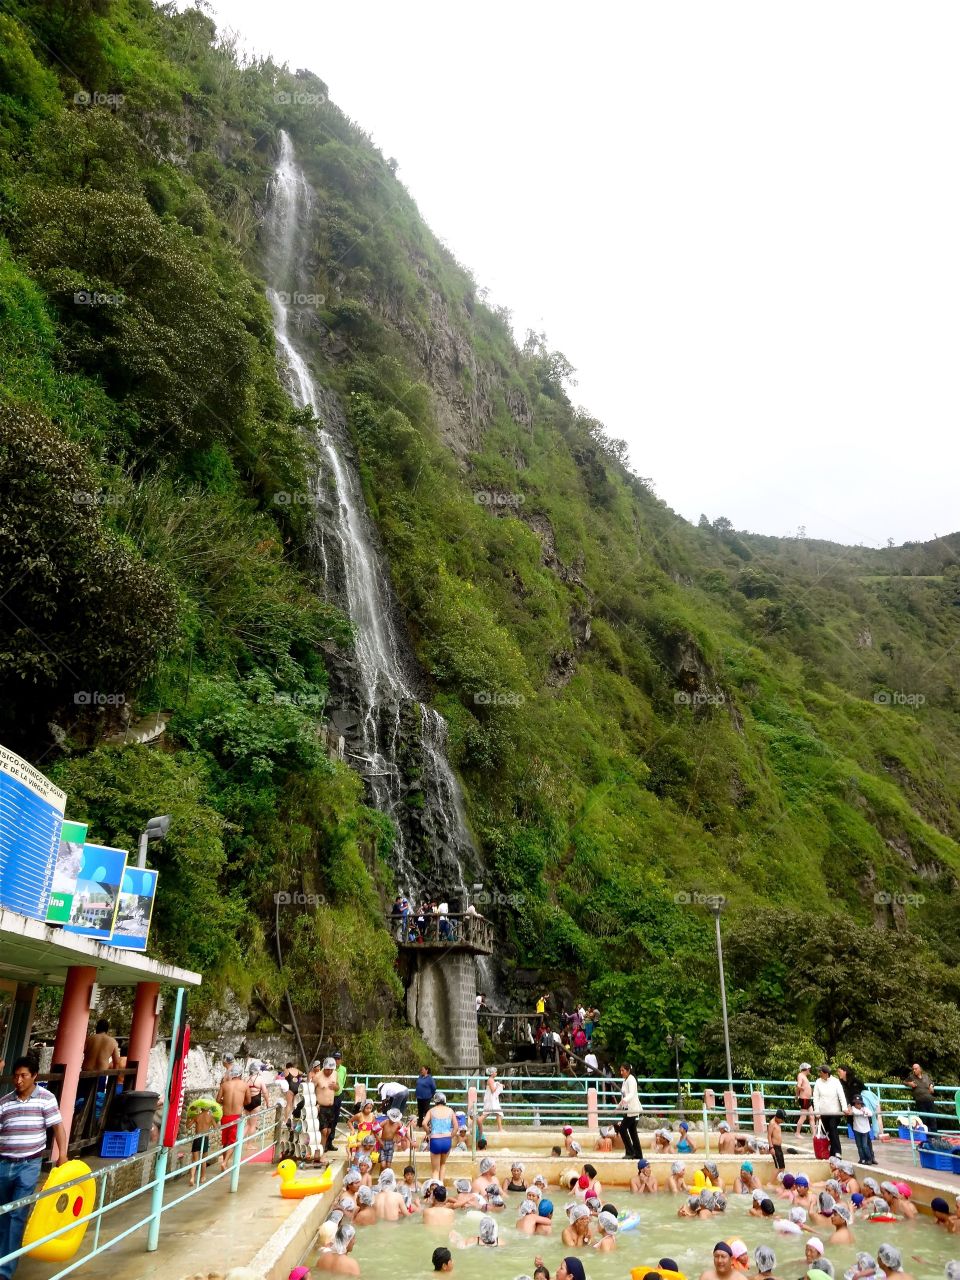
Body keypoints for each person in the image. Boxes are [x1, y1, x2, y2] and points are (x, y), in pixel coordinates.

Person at [0, 1055, 68, 1278]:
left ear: (34, 1076)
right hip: (3, 1163)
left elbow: (58, 1128)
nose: (18, 1080)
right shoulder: (5, 1102)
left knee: (17, 1215)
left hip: (29, 1164)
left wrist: (63, 1156)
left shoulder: (46, 1099)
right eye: (16, 1075)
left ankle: (4, 1271)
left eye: (23, 1076)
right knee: (2, 1214)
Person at [217, 1066, 251, 1170]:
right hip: (236, 1116)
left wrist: (225, 1102)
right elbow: (248, 1101)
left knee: (225, 1141)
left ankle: (224, 1162)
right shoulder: (245, 1085)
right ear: (241, 1074)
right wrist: (240, 1103)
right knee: (233, 1142)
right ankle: (225, 1162)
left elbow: (218, 1099)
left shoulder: (224, 1085)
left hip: (225, 1116)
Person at [813, 1064, 847, 1158]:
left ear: (826, 1073)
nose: (819, 1073)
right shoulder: (818, 1082)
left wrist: (844, 1108)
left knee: (833, 1129)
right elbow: (816, 1097)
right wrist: (817, 1111)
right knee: (825, 1133)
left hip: (834, 1112)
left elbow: (841, 1095)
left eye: (821, 1072)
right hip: (823, 1112)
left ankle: (837, 1152)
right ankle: (828, 1152)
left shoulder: (835, 1082)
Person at [423, 1091, 456, 1181]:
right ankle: (442, 1189)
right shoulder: (450, 1111)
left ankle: (435, 1190)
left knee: (435, 1170)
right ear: (445, 1101)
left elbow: (424, 1123)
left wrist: (429, 1133)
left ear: (435, 1101)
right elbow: (456, 1127)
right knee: (443, 1165)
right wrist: (450, 1137)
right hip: (447, 1140)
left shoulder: (431, 1111)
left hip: (435, 1140)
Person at [615, 1062, 642, 1159]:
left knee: (622, 1129)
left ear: (628, 1071)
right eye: (621, 1070)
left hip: (632, 1109)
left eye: (623, 1070)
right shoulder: (626, 1080)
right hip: (628, 1109)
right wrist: (618, 1106)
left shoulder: (631, 1080)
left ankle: (631, 1152)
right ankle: (638, 1154)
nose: (621, 1072)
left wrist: (624, 1101)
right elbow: (625, 1095)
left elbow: (631, 1094)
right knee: (632, 1132)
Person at [906, 1063, 937, 1132]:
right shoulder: (911, 1077)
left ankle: (935, 1136)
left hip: (930, 1099)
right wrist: (909, 1083)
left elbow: (931, 1082)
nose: (914, 1070)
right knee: (924, 1118)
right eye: (913, 1069)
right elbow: (904, 1082)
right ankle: (924, 1135)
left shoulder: (925, 1076)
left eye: (916, 1069)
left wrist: (931, 1085)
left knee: (932, 1118)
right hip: (920, 1101)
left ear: (920, 1069)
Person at [849, 1095, 876, 1165]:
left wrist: (864, 1113)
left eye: (858, 1103)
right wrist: (863, 1113)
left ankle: (869, 1158)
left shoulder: (865, 1108)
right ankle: (862, 1159)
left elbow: (870, 1113)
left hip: (865, 1130)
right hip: (857, 1129)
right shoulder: (853, 1108)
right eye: (856, 1103)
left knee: (864, 1145)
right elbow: (855, 1112)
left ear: (861, 1103)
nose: (857, 1105)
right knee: (859, 1146)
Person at [481, 1067, 504, 1133]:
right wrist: (497, 1085)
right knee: (486, 1114)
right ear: (492, 1073)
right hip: (490, 1100)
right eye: (495, 1072)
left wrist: (499, 1084)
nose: (496, 1073)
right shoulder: (490, 1080)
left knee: (498, 1113)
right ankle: (477, 1124)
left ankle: (500, 1129)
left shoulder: (491, 1080)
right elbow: (493, 1090)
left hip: (492, 1099)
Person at [796, 1063, 814, 1136]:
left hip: (808, 1099)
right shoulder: (800, 1075)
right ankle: (797, 1133)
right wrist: (801, 1088)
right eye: (809, 1069)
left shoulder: (804, 1076)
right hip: (804, 1099)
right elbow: (798, 1085)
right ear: (806, 1069)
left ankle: (814, 1134)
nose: (810, 1070)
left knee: (812, 1116)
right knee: (803, 1117)